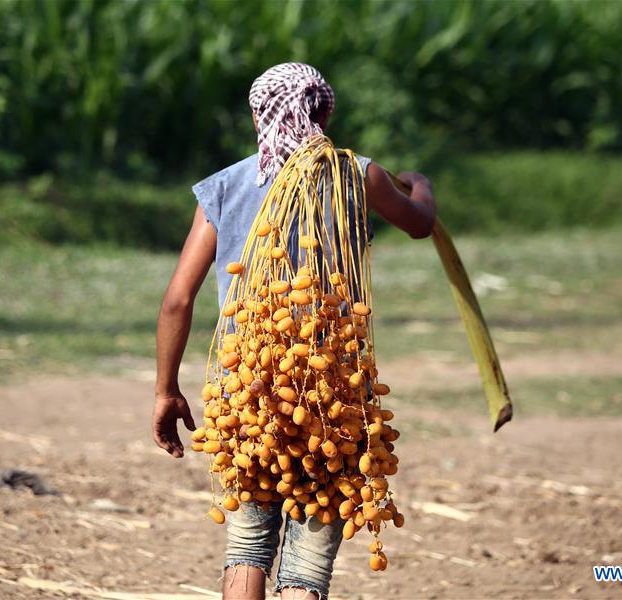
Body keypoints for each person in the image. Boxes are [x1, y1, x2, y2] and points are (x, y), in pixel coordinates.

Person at [152, 62, 436, 600]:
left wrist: (167, 391)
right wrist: (421, 186)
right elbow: (420, 223)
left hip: (251, 388)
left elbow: (176, 300)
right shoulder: (358, 173)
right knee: (307, 566)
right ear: (324, 112)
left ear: (258, 116)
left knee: (247, 548)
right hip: (332, 396)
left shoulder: (227, 187)